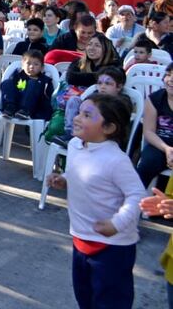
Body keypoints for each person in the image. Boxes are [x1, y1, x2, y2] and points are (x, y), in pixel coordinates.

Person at [45, 94, 143, 309]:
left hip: (112, 247)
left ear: (108, 128)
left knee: (110, 302)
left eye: (87, 115)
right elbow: (79, 172)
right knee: (85, 297)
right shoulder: (75, 145)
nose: (78, 118)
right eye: (79, 112)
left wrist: (116, 223)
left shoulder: (116, 160)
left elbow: (137, 195)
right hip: (81, 238)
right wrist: (64, 179)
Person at [137, 63, 173, 188]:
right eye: (168, 75)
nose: (171, 80)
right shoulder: (154, 99)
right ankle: (134, 201)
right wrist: (167, 149)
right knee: (147, 164)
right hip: (159, 144)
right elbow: (149, 132)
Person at [0, 50, 55, 120]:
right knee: (7, 83)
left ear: (42, 67)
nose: (31, 67)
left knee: (33, 83)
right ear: (22, 65)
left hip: (36, 109)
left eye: (36, 64)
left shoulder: (45, 81)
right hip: (16, 104)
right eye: (28, 63)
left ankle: (25, 111)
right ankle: (10, 108)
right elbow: (10, 89)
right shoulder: (17, 76)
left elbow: (49, 98)